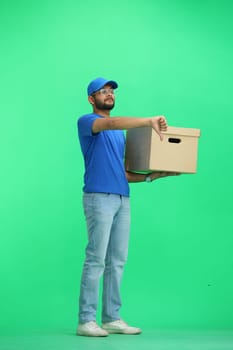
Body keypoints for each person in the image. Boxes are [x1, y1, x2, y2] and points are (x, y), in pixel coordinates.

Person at [77, 77, 178, 337]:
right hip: (98, 198)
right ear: (92, 99)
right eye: (103, 91)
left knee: (117, 260)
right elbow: (111, 121)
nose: (109, 94)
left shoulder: (117, 134)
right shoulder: (88, 122)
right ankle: (86, 320)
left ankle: (111, 317)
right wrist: (148, 121)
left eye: (111, 91)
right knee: (96, 259)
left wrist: (152, 175)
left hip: (123, 198)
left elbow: (122, 172)